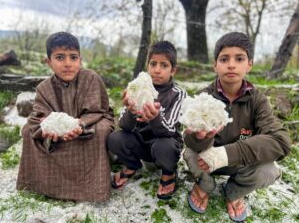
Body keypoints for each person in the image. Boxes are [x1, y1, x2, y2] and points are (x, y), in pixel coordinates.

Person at [183, 32, 291, 222]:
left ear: (249, 64)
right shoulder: (203, 96)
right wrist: (200, 138)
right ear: (215, 65)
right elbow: (188, 139)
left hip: (240, 165)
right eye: (224, 59)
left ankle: (234, 191)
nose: (231, 64)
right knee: (190, 152)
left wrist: (225, 154)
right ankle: (205, 185)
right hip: (205, 163)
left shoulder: (258, 100)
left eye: (239, 58)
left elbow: (280, 141)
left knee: (269, 170)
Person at [16, 32, 114, 202]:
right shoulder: (43, 88)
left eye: (73, 57)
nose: (68, 64)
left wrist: (79, 125)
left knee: (102, 130)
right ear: (49, 62)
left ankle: (92, 188)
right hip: (58, 134)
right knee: (27, 131)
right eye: (60, 57)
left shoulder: (90, 78)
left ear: (80, 60)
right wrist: (49, 130)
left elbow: (97, 111)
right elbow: (40, 117)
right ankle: (41, 183)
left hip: (90, 124)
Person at [108, 41, 186, 200]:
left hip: (165, 146)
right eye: (153, 64)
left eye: (164, 65)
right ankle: (132, 165)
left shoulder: (178, 94)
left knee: (165, 145)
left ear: (173, 70)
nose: (157, 70)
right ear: (147, 66)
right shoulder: (137, 87)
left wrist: (155, 118)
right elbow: (124, 125)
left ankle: (168, 173)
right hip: (141, 144)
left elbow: (170, 129)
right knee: (115, 138)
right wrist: (131, 110)